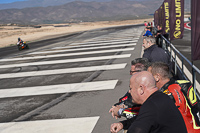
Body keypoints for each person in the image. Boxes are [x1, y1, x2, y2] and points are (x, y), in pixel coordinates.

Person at [110, 71, 187, 133]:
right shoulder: (160, 97)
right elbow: (142, 118)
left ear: (141, 89)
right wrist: (122, 124)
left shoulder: (152, 106)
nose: (129, 92)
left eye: (131, 88)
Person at [148, 62, 200, 132]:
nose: (147, 79)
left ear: (157, 77)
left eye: (149, 76)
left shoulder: (163, 95)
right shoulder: (184, 83)